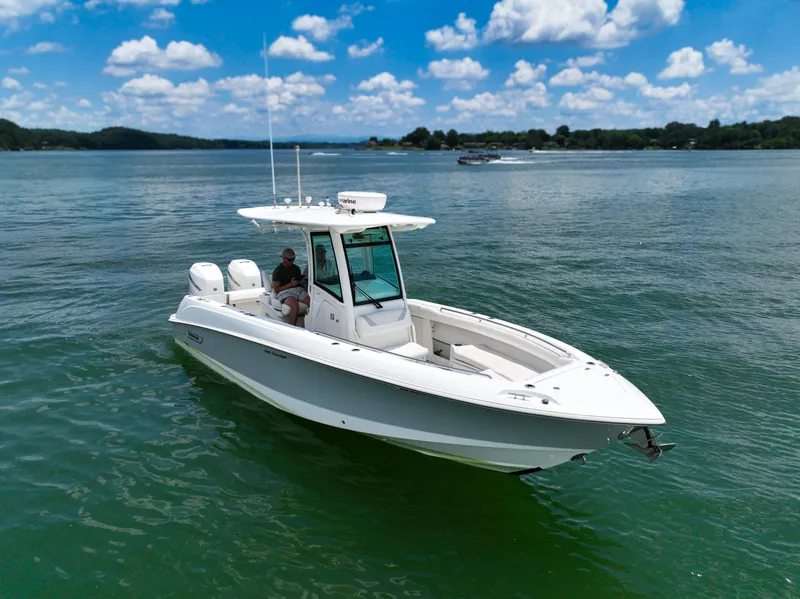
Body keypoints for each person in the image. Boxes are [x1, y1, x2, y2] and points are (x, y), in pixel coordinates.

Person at [272, 248, 310, 326]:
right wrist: (290, 284)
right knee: (294, 304)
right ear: (283, 258)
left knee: (311, 302)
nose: (292, 261)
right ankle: (292, 327)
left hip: (297, 289)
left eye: (293, 259)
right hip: (284, 291)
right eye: (289, 259)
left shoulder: (296, 268)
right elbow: (277, 289)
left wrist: (303, 280)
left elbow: (299, 282)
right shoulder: (278, 271)